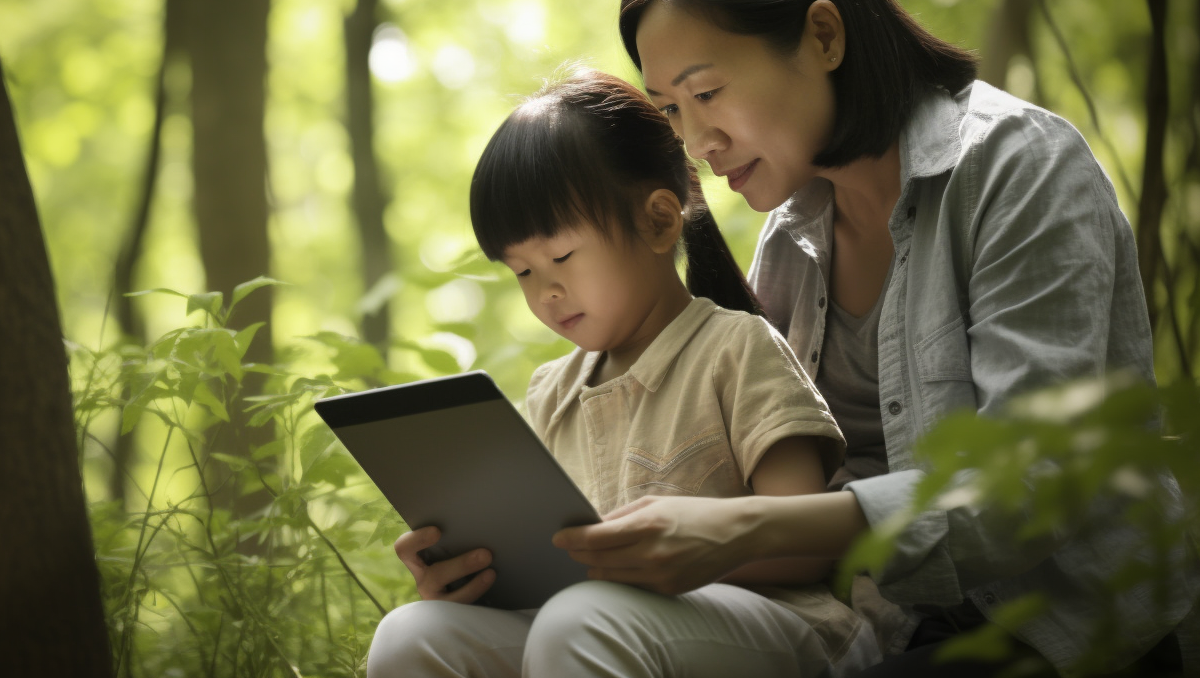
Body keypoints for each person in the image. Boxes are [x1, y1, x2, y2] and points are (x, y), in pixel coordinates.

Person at [548, 0, 1200, 675]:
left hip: (1060, 638)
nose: (698, 143)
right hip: (873, 633)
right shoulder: (792, 243)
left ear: (824, 36)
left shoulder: (1018, 169)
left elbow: (1033, 482)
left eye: (709, 92)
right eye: (670, 110)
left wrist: (753, 530)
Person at [365, 68, 881, 677]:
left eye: (561, 256)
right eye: (523, 272)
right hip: (595, 627)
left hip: (781, 628)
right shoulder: (551, 393)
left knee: (584, 618)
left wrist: (679, 555)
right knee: (412, 634)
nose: (547, 292)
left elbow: (806, 544)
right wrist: (475, 569)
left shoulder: (735, 349)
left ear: (659, 222)